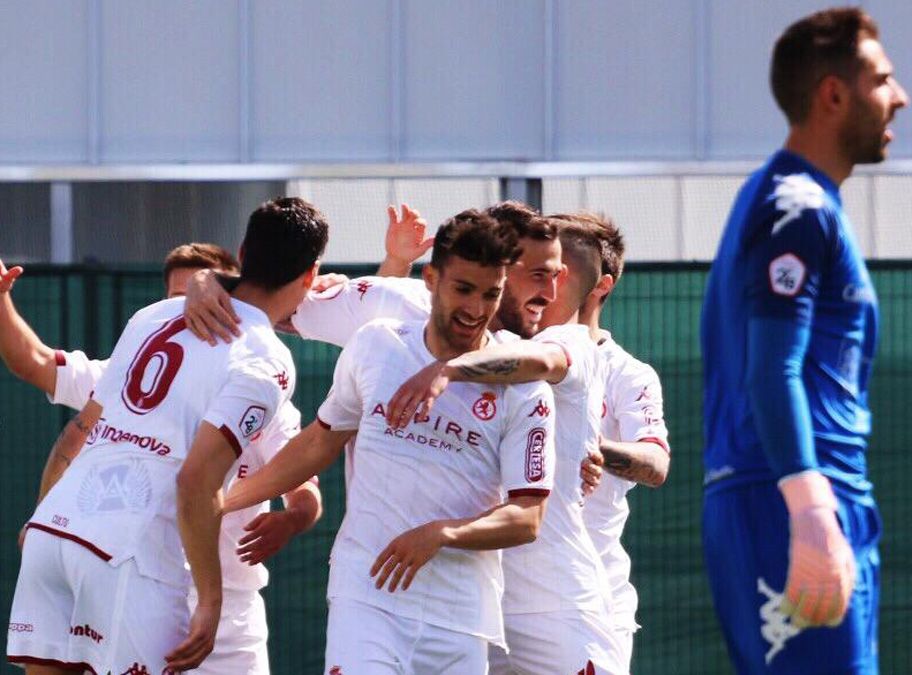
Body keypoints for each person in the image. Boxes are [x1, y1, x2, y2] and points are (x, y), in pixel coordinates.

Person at [222, 210, 555, 674]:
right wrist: (221, 504)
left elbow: (527, 517)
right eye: (463, 289)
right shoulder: (377, 344)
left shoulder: (522, 387)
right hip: (366, 598)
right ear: (431, 279)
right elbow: (320, 442)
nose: (476, 310)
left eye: (490, 294)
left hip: (460, 617)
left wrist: (443, 533)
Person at [5, 197, 328, 674]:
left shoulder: (153, 316)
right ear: (310, 275)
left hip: (56, 532)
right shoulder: (266, 359)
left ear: (243, 251)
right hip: (131, 556)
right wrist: (210, 602)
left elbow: (82, 429)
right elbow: (195, 482)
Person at [700, 7, 908, 674]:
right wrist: (810, 505)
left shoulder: (803, 202)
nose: (900, 97)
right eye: (882, 79)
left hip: (813, 493)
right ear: (833, 95)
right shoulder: (797, 207)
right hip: (787, 499)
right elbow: (772, 369)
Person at [386, 220, 624, 675]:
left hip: (555, 608)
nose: (546, 290)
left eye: (554, 274)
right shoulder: (448, 316)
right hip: (479, 607)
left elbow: (543, 362)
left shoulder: (568, 341)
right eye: (535, 272)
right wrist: (218, 290)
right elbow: (298, 299)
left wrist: (451, 369)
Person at [556, 213, 671, 672]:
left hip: (591, 599)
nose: (543, 280)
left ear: (600, 285)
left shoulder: (629, 374)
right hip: (501, 593)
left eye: (558, 270)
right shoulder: (508, 352)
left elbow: (656, 463)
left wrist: (590, 448)